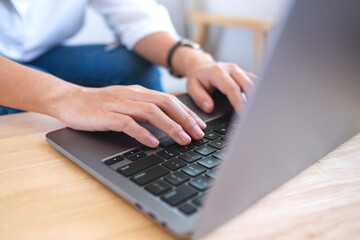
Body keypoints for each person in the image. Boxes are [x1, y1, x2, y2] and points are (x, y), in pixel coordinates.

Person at [0, 0, 255, 148]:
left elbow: (132, 12)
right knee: (24, 109)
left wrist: (195, 61)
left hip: (42, 50)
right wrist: (69, 97)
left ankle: (139, 157)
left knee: (133, 67)